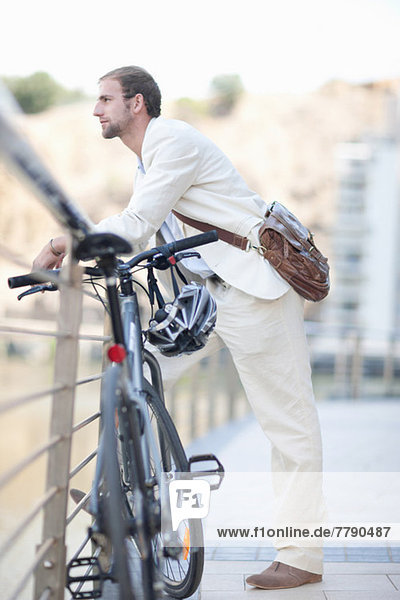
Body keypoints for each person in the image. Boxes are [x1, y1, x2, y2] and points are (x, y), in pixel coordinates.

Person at [33, 66, 324, 590]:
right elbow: (146, 236)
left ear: (137, 103)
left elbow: (135, 224)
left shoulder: (172, 141)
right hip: (208, 298)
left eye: (105, 99)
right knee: (135, 374)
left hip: (255, 292)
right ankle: (130, 495)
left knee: (289, 425)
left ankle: (301, 557)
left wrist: (61, 247)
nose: (96, 110)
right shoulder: (150, 161)